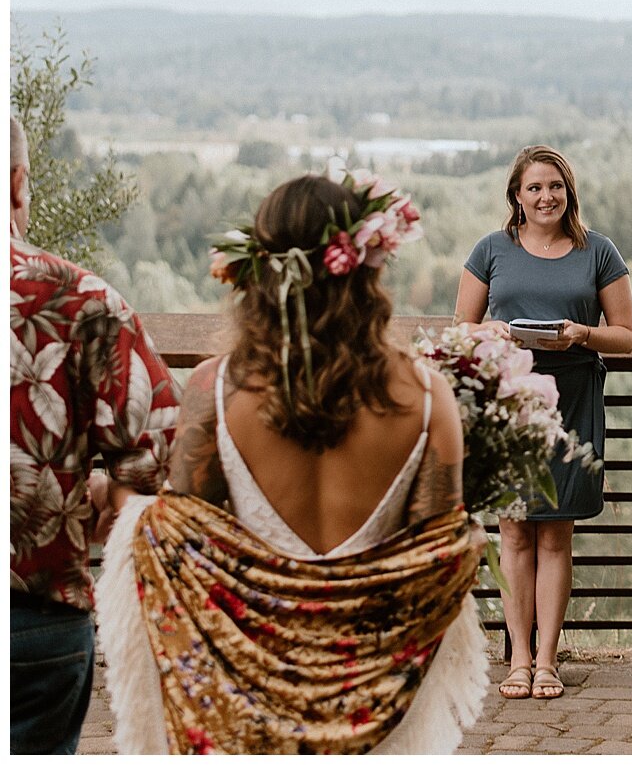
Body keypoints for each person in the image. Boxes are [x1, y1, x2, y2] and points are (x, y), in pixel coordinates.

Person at [95, 172, 489, 754]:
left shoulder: (215, 390)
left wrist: (119, 502)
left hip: (245, 704)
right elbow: (435, 563)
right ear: (368, 268)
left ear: (256, 273)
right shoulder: (428, 398)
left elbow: (186, 546)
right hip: (375, 705)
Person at [10, 117, 180, 754]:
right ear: (20, 183)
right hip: (32, 618)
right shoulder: (79, 299)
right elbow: (160, 456)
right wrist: (93, 499)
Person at [454, 144, 632, 700]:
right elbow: (462, 330)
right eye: (534, 187)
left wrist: (581, 334)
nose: (545, 196)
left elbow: (627, 336)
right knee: (513, 531)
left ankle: (548, 661)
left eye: (554, 186)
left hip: (574, 398)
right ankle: (517, 660)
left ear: (569, 193)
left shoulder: (598, 252)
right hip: (509, 402)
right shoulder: (491, 250)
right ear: (516, 195)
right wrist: (504, 333)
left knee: (557, 532)